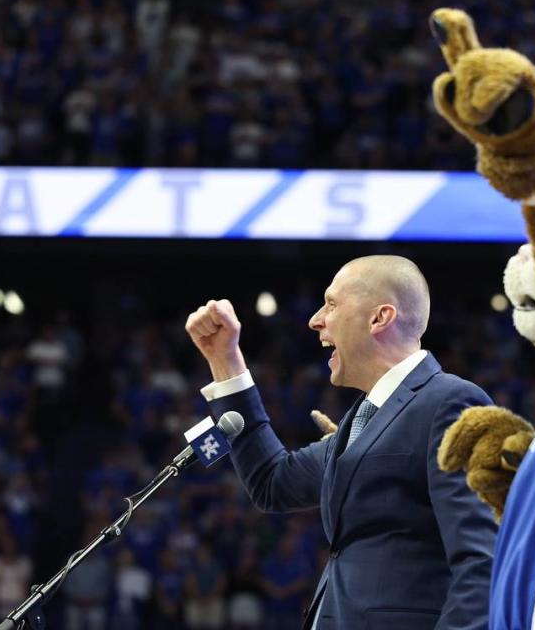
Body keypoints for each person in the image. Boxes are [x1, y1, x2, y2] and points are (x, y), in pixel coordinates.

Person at [185, 255, 497, 629]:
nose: (315, 319)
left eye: (331, 304)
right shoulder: (362, 419)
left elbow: (482, 561)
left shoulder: (451, 401)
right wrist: (226, 363)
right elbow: (273, 483)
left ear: (379, 318)